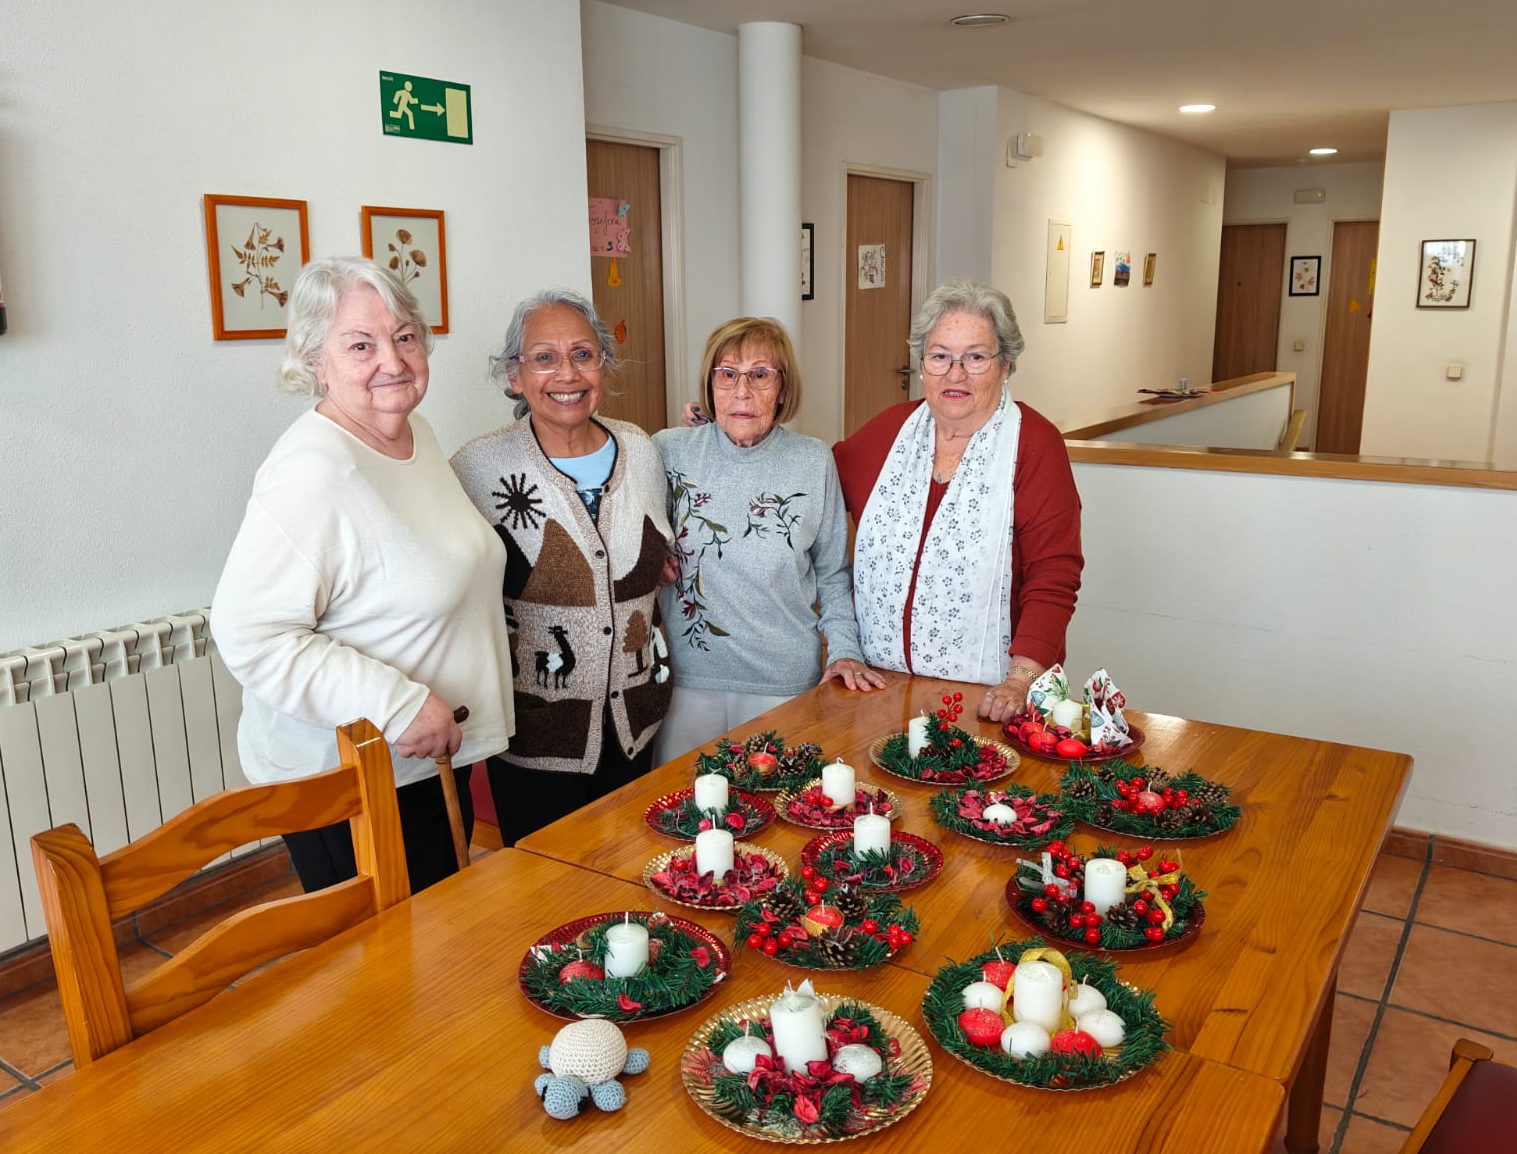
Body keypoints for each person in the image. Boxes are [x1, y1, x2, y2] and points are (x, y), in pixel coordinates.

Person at [210, 257, 513, 893]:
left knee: (441, 948)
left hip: (425, 757)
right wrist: (397, 703)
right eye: (360, 345)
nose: (393, 361)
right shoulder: (311, 471)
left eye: (405, 336)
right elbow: (251, 634)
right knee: (391, 976)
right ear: (315, 361)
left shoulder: (414, 434)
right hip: (348, 781)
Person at [451, 290, 673, 847]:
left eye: (583, 354)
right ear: (513, 376)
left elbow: (657, 552)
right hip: (532, 736)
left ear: (605, 365)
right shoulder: (476, 468)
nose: (566, 373)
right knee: (544, 890)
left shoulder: (642, 451)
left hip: (636, 722)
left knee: (635, 873)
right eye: (543, 357)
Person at [832, 279, 1083, 725]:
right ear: (923, 363)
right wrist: (721, 427)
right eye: (940, 356)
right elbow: (810, 485)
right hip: (880, 691)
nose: (955, 373)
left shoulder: (1034, 444)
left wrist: (1020, 680)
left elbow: (1054, 576)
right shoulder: (889, 432)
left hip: (990, 699)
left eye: (975, 357)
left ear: (1005, 365)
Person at [652, 317, 885, 763]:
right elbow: (630, 532)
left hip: (784, 681)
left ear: (782, 389)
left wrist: (845, 652)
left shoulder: (812, 461)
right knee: (681, 817)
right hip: (688, 681)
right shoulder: (670, 451)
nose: (742, 391)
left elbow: (833, 574)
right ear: (710, 383)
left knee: (777, 813)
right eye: (727, 374)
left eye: (760, 375)